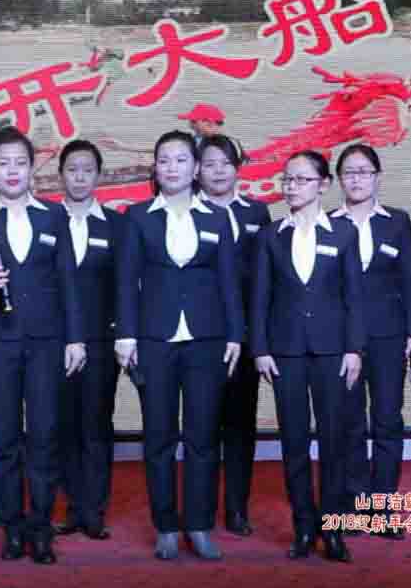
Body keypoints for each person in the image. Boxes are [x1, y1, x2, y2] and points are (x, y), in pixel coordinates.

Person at [0, 126, 86, 565]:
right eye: (3, 163)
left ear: (33, 168)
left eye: (20, 163)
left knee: (45, 436)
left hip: (47, 343)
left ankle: (41, 528)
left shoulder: (53, 217)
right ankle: (12, 529)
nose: (12, 171)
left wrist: (75, 339)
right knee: (5, 440)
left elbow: (69, 282)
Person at [115, 130, 243, 561]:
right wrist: (126, 335)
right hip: (154, 340)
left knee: (203, 436)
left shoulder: (217, 218)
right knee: (159, 437)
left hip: (207, 340)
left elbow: (229, 282)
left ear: (196, 168)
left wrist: (235, 335)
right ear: (155, 168)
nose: (172, 167)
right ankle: (166, 526)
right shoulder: (137, 217)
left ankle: (200, 524)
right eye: (164, 160)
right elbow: (126, 282)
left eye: (181, 160)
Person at [252, 150, 364, 563]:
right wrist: (260, 349)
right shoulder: (271, 236)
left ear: (323, 185)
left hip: (333, 350)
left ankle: (333, 530)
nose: (291, 187)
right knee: (294, 441)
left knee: (334, 441)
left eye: (301, 180)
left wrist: (354, 349)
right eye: (287, 179)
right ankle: (303, 527)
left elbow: (354, 298)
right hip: (285, 352)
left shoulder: (344, 233)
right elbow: (260, 298)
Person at [331, 144, 411, 541]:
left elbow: (410, 280)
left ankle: (383, 507)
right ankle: (355, 504)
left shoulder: (397, 222)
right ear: (338, 180)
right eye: (348, 172)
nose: (356, 179)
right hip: (343, 340)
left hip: (388, 336)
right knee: (349, 421)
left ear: (378, 177)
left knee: (387, 419)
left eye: (364, 171)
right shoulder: (327, 223)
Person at [196, 134, 273, 538]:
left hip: (243, 338)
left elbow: (266, 279)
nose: (218, 171)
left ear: (238, 168)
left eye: (226, 163)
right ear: (197, 170)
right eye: (210, 164)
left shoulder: (257, 214)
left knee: (240, 426)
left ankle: (237, 508)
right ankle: (202, 509)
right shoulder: (186, 212)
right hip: (201, 336)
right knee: (203, 426)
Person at [54, 140, 121, 541]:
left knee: (96, 424)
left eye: (87, 170)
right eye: (72, 169)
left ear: (98, 175)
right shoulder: (46, 219)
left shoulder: (115, 224)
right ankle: (71, 506)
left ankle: (94, 509)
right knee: (62, 425)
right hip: (55, 341)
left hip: (100, 341)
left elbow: (124, 285)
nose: (79, 177)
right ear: (61, 174)